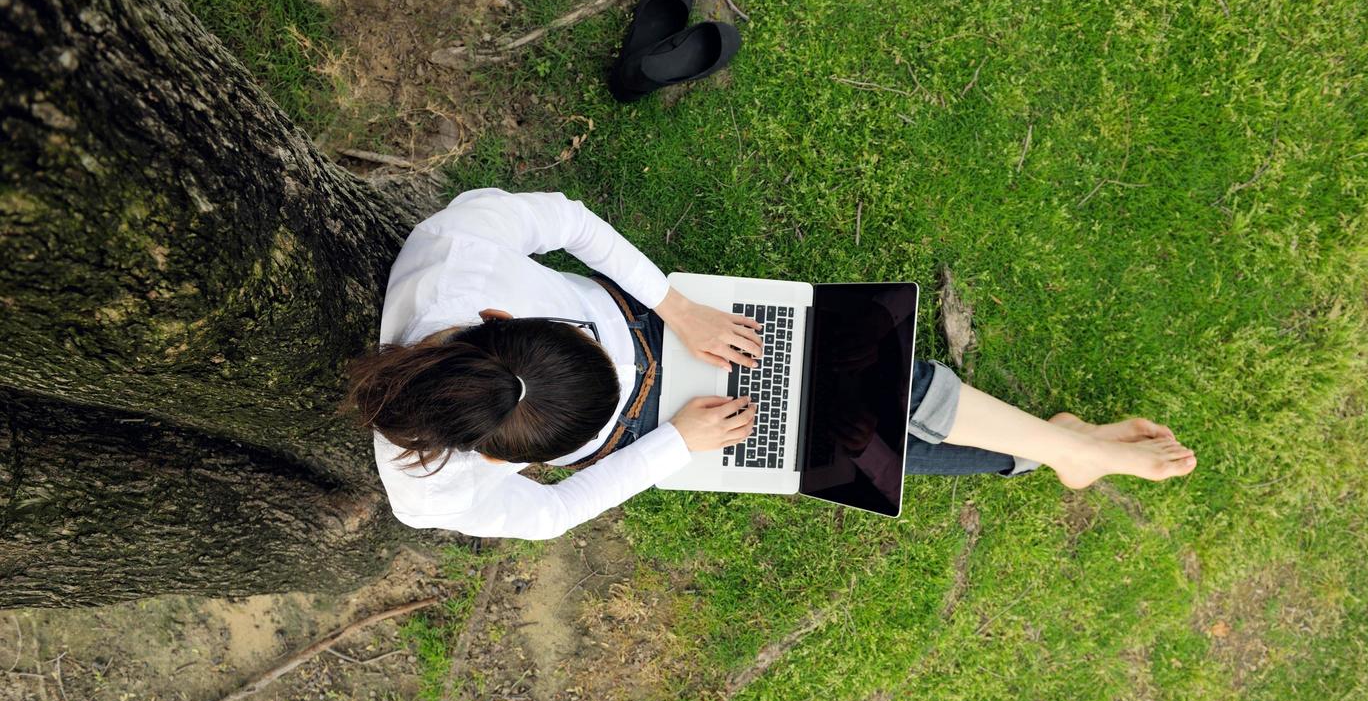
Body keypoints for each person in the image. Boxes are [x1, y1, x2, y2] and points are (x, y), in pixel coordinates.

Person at [344, 189, 1196, 540]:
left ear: (500, 318)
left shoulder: (457, 252)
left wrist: (672, 308)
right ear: (494, 454)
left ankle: (1058, 450)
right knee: (844, 434)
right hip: (657, 433)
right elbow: (549, 517)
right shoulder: (428, 490)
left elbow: (567, 222)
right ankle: (1059, 449)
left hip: (663, 328)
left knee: (844, 377)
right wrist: (671, 443)